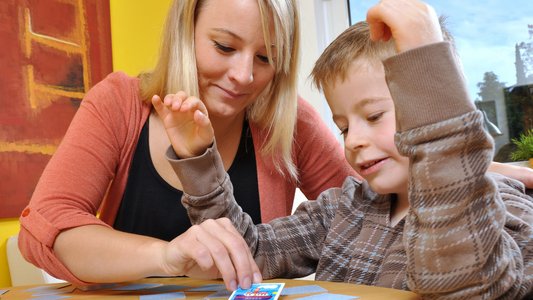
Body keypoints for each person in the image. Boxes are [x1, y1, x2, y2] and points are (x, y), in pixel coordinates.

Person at [161, 0, 533, 297]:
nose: (352, 139)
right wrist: (199, 163)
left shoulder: (506, 209)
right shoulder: (341, 208)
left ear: (435, 105)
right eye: (343, 127)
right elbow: (249, 252)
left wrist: (428, 71)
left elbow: (466, 284)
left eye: (373, 116)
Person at [17, 0, 355, 290]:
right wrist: (167, 256)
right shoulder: (118, 104)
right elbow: (43, 229)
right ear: (184, 32)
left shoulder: (292, 123)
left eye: (266, 58)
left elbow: (372, 209)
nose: (244, 75)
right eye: (224, 46)